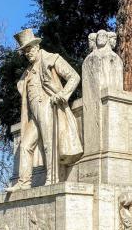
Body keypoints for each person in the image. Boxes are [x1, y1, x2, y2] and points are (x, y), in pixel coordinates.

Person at [5, 29, 82, 192]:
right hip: (34, 114)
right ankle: (24, 182)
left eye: (29, 49)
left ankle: (52, 179)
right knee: (25, 145)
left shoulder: (51, 58)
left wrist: (63, 94)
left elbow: (74, 76)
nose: (27, 53)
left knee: (49, 143)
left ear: (37, 46)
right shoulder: (27, 72)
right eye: (24, 51)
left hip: (48, 105)